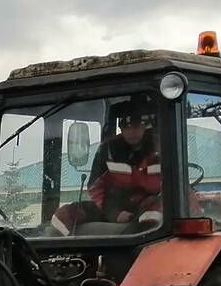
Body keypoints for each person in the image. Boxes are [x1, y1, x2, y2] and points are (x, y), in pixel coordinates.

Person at [50, 98, 162, 236]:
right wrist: (114, 213)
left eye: (136, 125)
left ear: (145, 126)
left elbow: (172, 188)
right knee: (66, 214)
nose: (132, 131)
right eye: (126, 126)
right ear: (121, 127)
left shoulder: (161, 150)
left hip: (147, 206)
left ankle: (143, 241)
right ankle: (51, 251)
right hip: (112, 206)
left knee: (157, 209)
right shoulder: (108, 151)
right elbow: (95, 188)